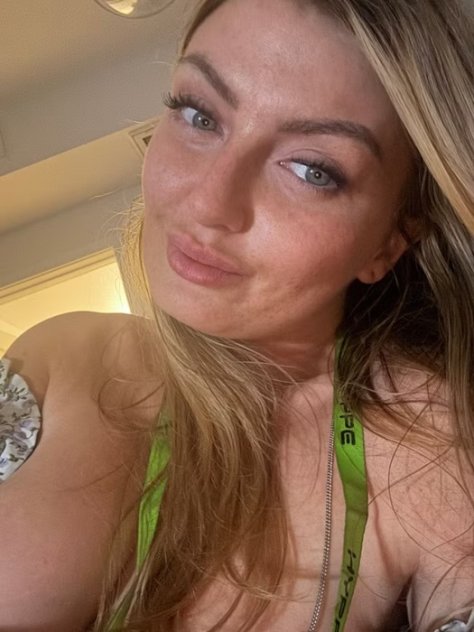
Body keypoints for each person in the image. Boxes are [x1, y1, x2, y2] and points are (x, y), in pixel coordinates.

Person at [1, 0, 473, 630]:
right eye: (199, 114)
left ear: (391, 239)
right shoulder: (65, 357)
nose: (208, 203)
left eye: (311, 170)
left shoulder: (430, 438)